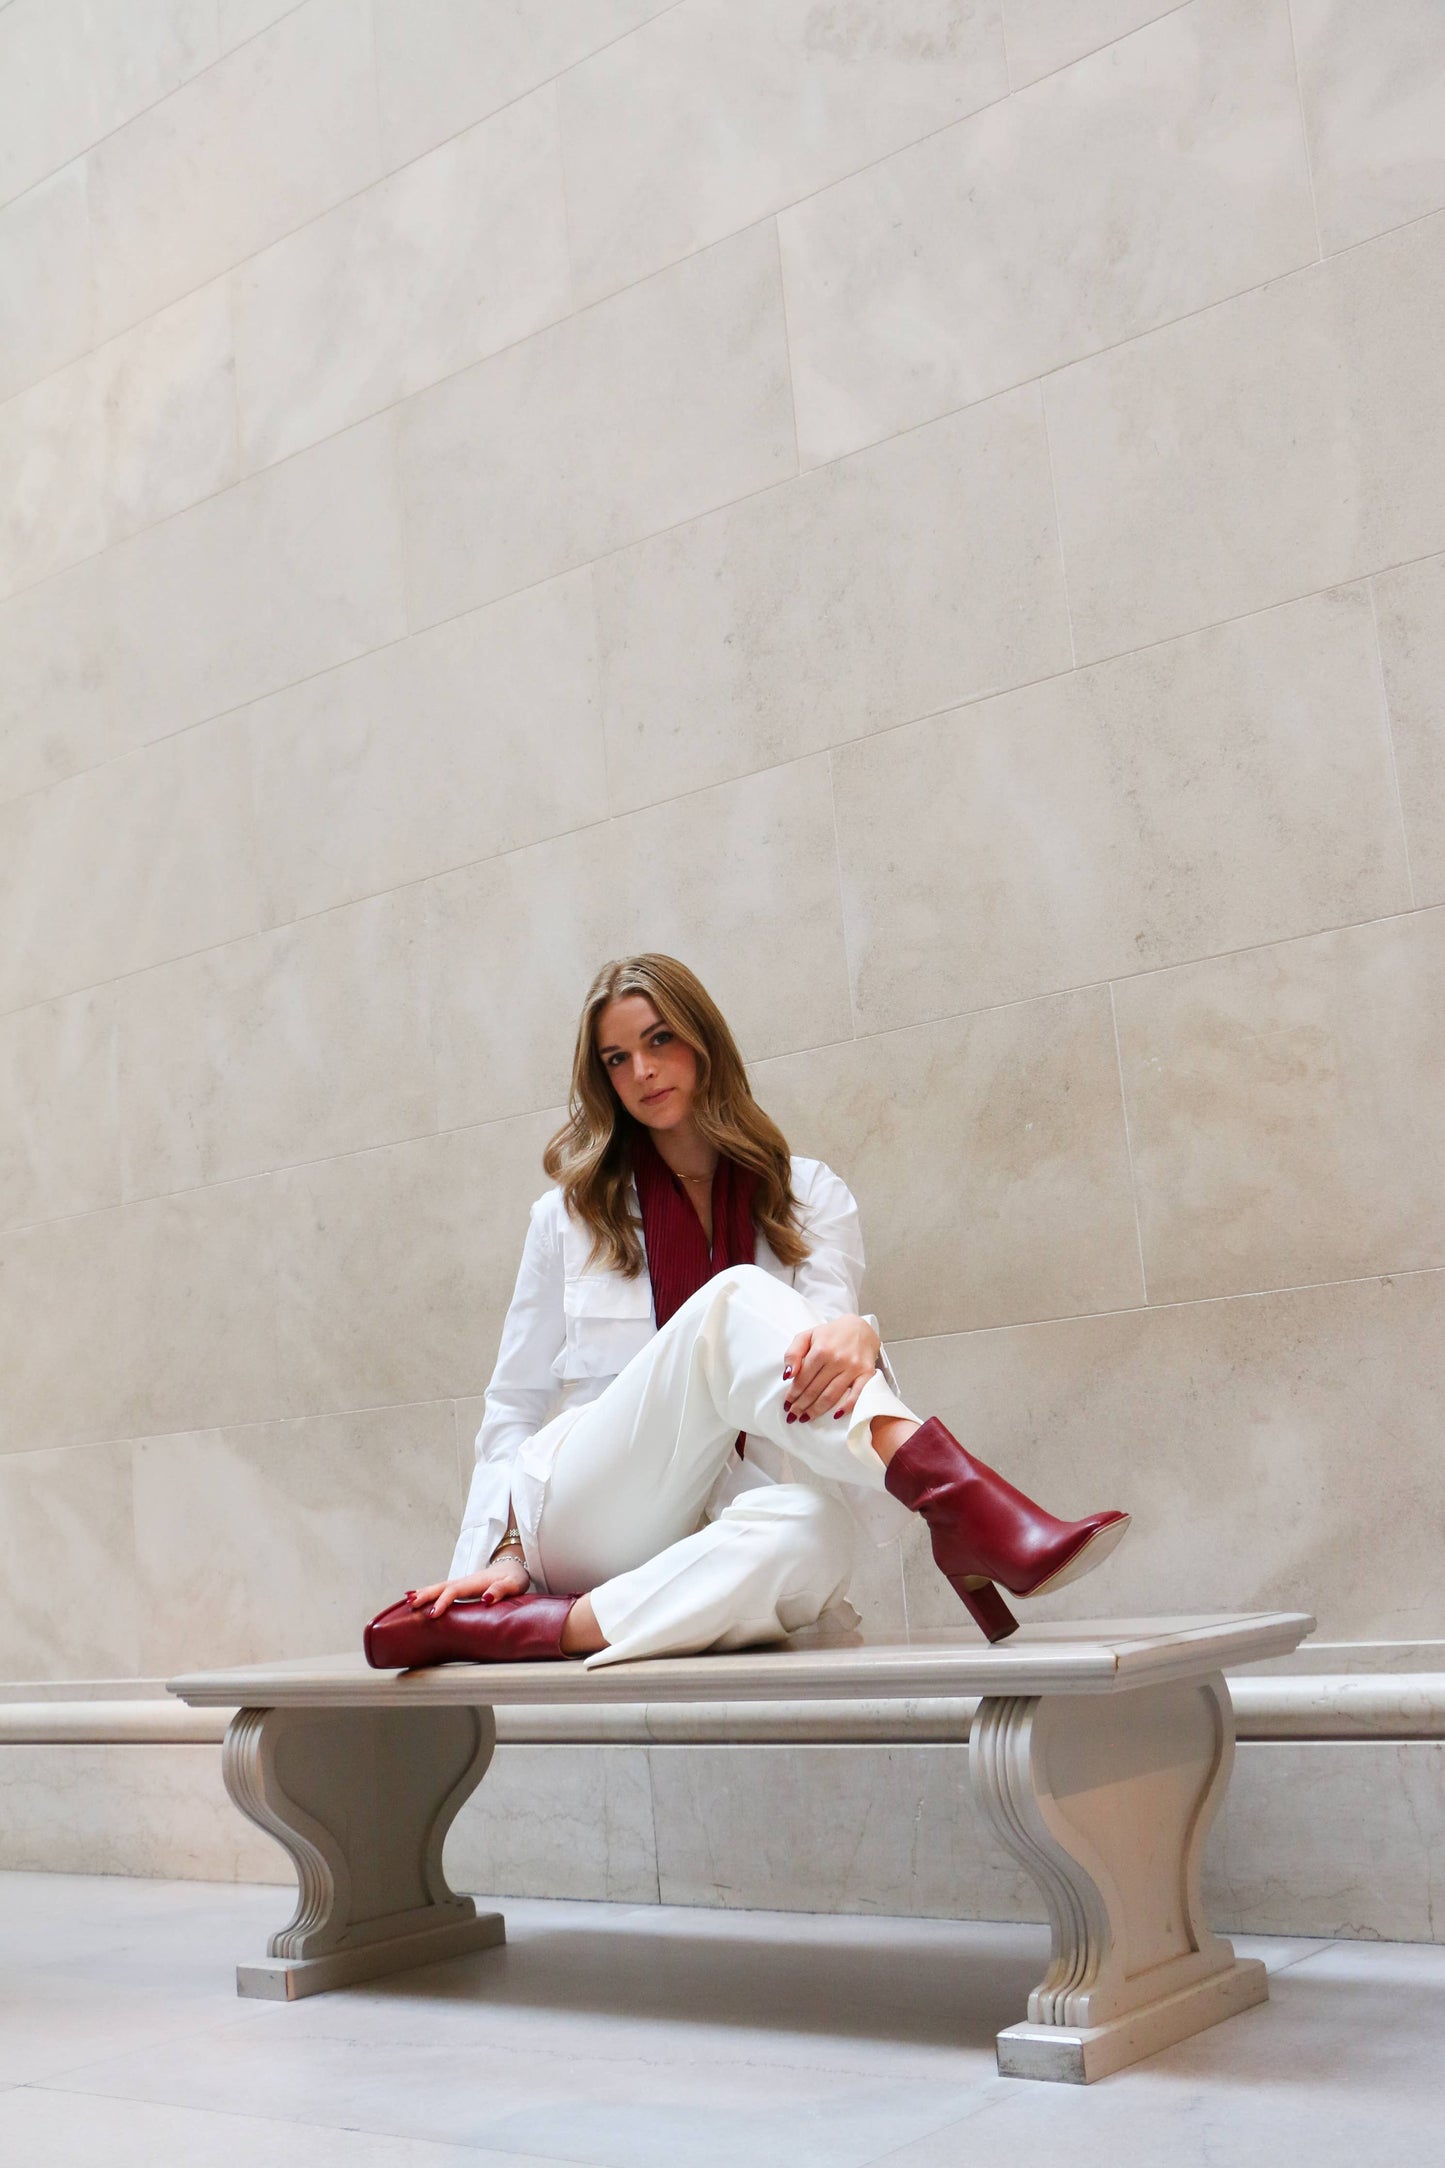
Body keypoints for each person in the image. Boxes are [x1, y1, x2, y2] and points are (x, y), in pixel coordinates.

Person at [364, 955, 1128, 1671]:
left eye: (659, 1040)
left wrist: (857, 1335)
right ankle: (962, 1506)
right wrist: (499, 1559)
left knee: (816, 1529)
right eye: (616, 1058)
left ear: (704, 1043)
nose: (642, 1071)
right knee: (731, 1300)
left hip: (716, 1518)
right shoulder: (567, 1218)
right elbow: (514, 1403)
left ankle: (560, 1628)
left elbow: (815, 1360)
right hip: (589, 1513)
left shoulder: (810, 1194)